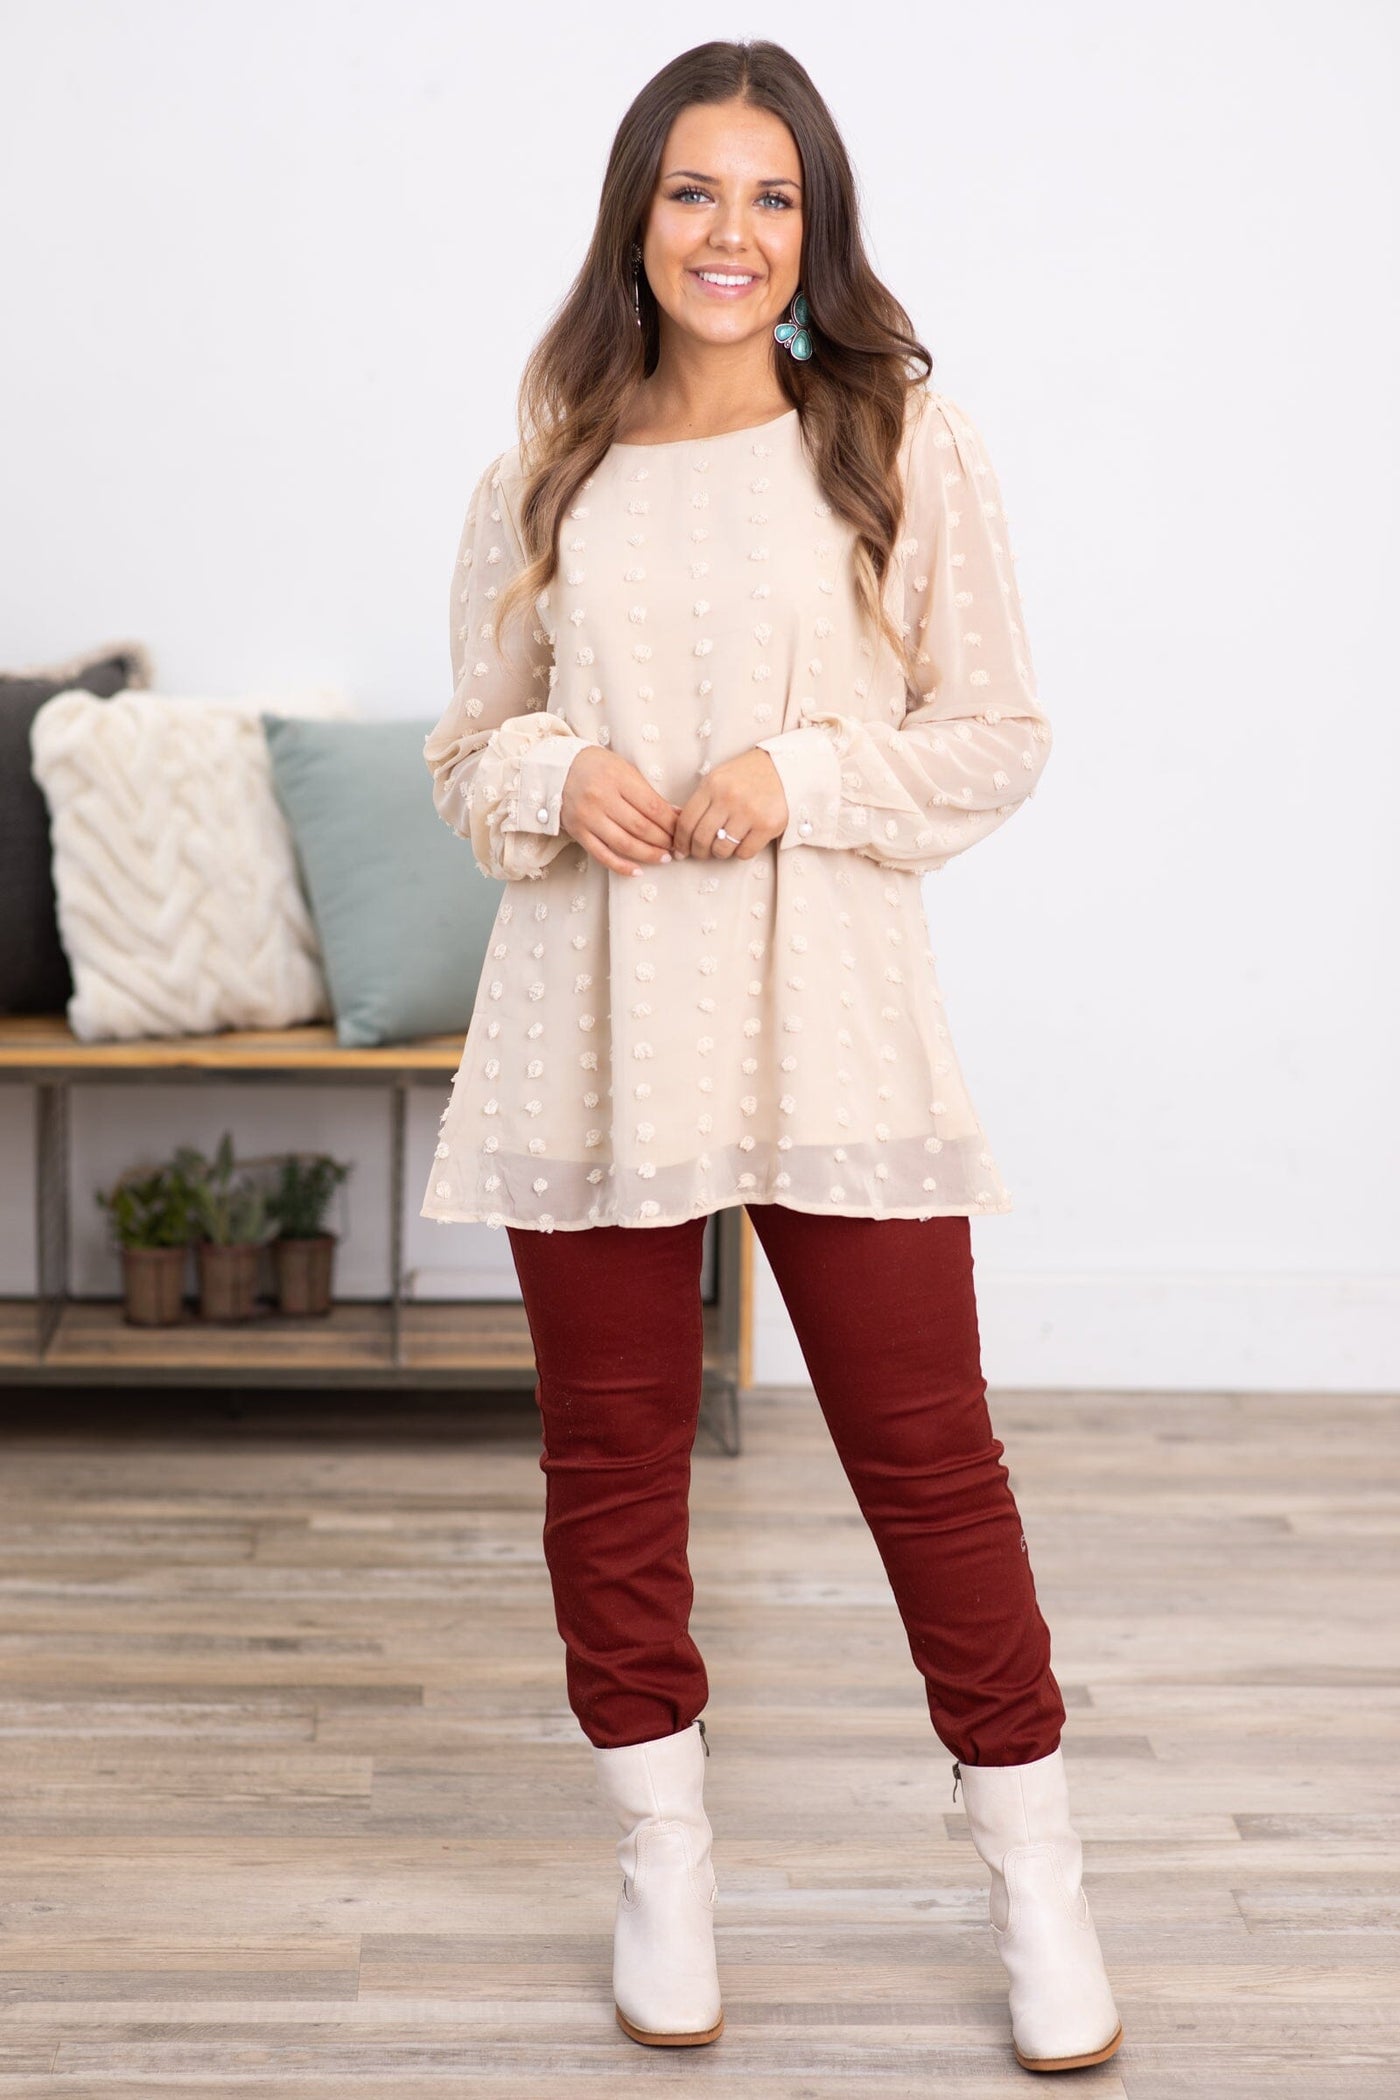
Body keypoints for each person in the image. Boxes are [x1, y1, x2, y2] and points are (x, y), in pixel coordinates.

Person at [420, 37, 1122, 2077]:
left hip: (830, 1011)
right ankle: (662, 1865)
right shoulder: (544, 465)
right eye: (693, 192)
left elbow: (995, 734)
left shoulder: (895, 439)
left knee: (928, 1455)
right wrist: (556, 773)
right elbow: (467, 750)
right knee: (610, 1460)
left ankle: (1038, 1880)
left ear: (815, 229)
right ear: (635, 220)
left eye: (771, 197)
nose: (729, 234)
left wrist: (799, 773)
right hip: (591, 1020)